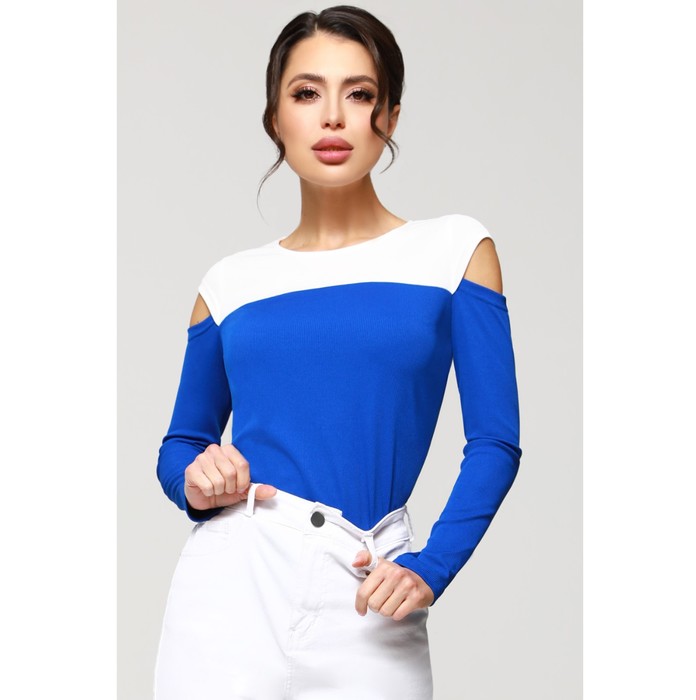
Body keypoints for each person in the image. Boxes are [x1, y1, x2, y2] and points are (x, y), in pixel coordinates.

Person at [153, 5, 522, 699]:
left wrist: (433, 566)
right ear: (275, 118)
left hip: (369, 586)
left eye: (358, 94)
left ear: (390, 117)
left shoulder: (454, 252)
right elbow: (181, 446)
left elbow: (496, 442)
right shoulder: (228, 283)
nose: (332, 117)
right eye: (306, 93)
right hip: (233, 586)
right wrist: (198, 480)